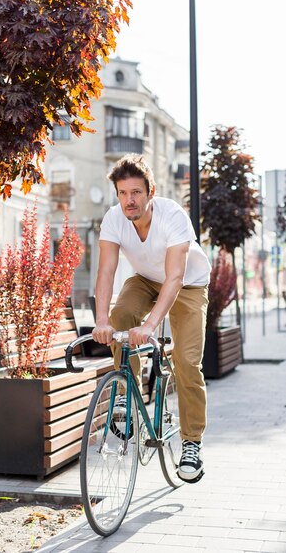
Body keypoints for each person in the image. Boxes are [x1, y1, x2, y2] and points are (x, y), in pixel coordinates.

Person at [92, 154, 211, 483]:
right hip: (144, 279)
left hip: (188, 284)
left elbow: (174, 278)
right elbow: (106, 271)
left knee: (188, 362)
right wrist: (102, 320)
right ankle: (127, 397)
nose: (129, 200)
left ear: (150, 192)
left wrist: (148, 326)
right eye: (123, 193)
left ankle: (191, 443)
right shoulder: (114, 218)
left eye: (136, 192)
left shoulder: (172, 215)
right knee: (119, 317)